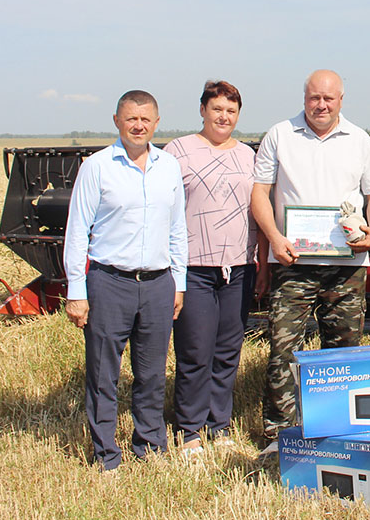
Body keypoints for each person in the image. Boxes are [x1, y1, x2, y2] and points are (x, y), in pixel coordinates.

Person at [251, 69, 370, 451]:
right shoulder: (280, 135)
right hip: (292, 262)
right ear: (304, 97)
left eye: (329, 98)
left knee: (343, 355)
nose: (321, 105)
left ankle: (336, 430)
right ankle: (279, 436)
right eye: (314, 98)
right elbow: (259, 193)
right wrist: (275, 239)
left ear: (341, 99)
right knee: (283, 352)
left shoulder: (359, 139)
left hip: (346, 267)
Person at [63, 90, 188, 470]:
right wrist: (76, 290)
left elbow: (177, 229)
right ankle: (106, 456)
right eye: (131, 118)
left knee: (151, 373)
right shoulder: (98, 167)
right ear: (117, 120)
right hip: (109, 282)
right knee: (103, 374)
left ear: (156, 122)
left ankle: (149, 445)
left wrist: (178, 283)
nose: (138, 125)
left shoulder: (169, 167)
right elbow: (77, 231)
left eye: (146, 119)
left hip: (157, 283)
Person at [163, 80, 262, 457]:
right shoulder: (179, 151)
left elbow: (258, 208)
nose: (224, 116)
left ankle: (218, 426)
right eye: (217, 108)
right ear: (203, 110)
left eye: (231, 111)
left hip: (238, 266)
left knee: (227, 351)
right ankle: (189, 431)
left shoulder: (248, 156)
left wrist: (259, 262)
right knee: (195, 350)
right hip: (194, 267)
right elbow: (167, 211)